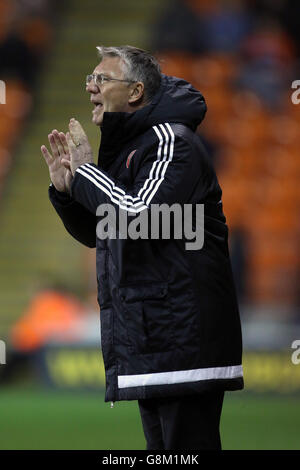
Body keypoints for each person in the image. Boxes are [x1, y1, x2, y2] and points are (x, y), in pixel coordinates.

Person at [41, 45, 243, 450]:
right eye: (89, 78)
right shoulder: (131, 150)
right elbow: (109, 231)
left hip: (184, 338)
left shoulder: (172, 142)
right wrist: (67, 192)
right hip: (154, 337)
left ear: (135, 93)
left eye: (102, 79)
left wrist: (86, 176)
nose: (90, 87)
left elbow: (138, 216)